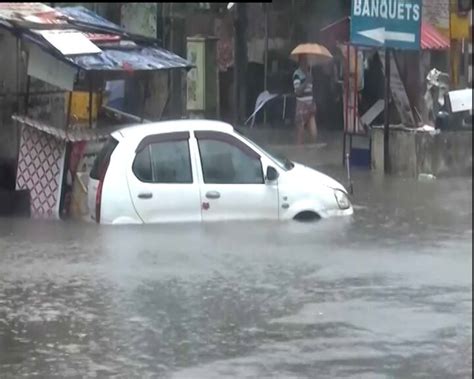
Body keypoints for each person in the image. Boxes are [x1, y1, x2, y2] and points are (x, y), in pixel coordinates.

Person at [293, 54, 317, 145]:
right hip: (301, 106)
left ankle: (310, 152)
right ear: (300, 62)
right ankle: (300, 151)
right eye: (304, 61)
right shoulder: (297, 74)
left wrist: (313, 102)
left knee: (314, 134)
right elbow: (297, 91)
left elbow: (311, 91)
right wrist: (306, 81)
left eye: (307, 61)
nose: (306, 63)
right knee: (300, 134)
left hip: (310, 107)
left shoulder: (309, 74)